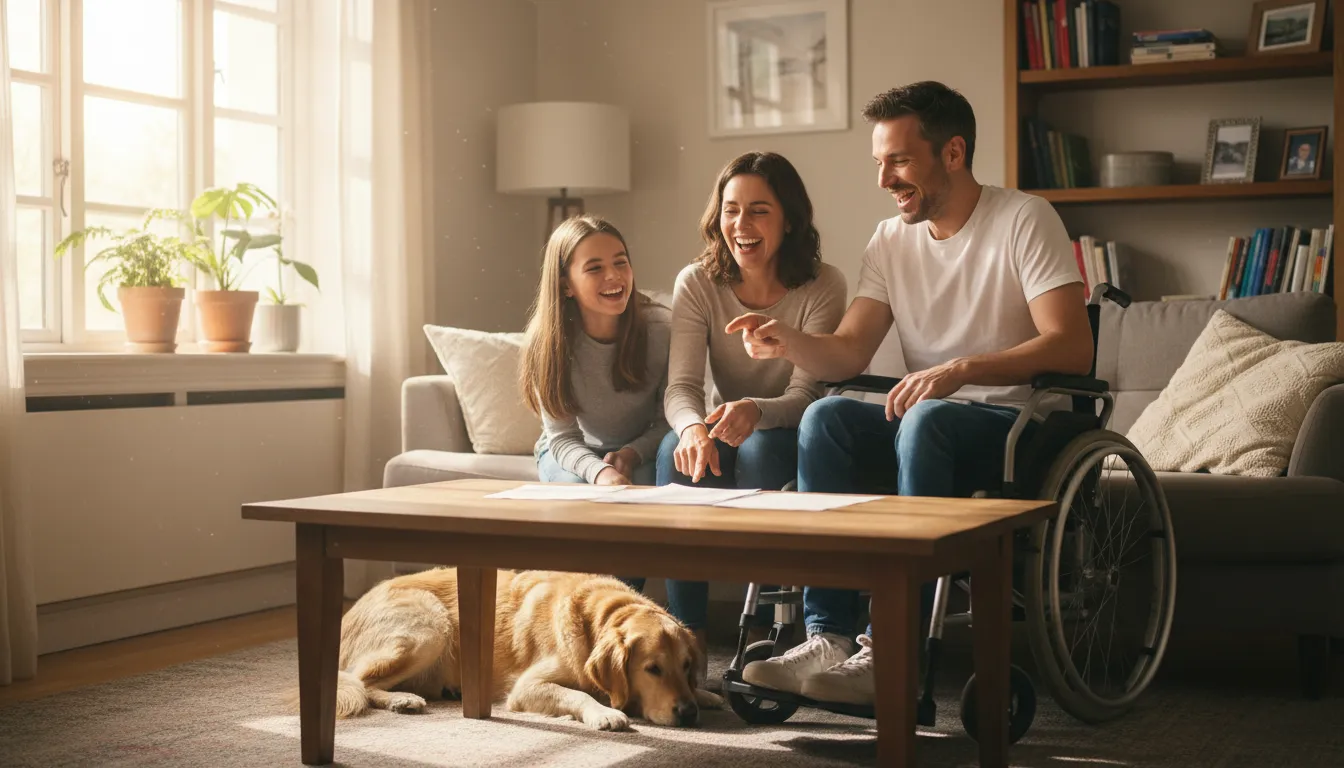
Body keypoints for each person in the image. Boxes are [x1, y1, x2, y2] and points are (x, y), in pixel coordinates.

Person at [726, 81, 1094, 706]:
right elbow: (848, 352)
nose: (884, 180)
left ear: (953, 153)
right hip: (931, 425)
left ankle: (892, 648)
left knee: (925, 418)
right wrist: (787, 340)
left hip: (1016, 428)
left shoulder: (1024, 219)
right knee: (827, 416)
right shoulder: (890, 240)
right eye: (879, 163)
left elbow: (1072, 347)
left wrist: (959, 370)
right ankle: (827, 636)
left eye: (898, 161)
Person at [626, 151, 848, 661]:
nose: (741, 225)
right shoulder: (697, 282)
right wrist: (690, 429)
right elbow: (681, 387)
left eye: (759, 211)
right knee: (673, 453)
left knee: (760, 451)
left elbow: (806, 394)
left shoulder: (823, 284)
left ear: (789, 220)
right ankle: (689, 640)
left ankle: (771, 635)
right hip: (723, 422)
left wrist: (756, 410)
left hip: (785, 426)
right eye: (731, 210)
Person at [519, 214, 671, 487]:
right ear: (566, 285)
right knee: (579, 490)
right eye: (594, 268)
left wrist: (632, 454)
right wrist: (599, 472)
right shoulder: (547, 342)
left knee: (640, 483)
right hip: (569, 451)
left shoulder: (661, 329)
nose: (613, 275)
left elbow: (667, 422)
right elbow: (562, 437)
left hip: (637, 449)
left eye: (620, 262)